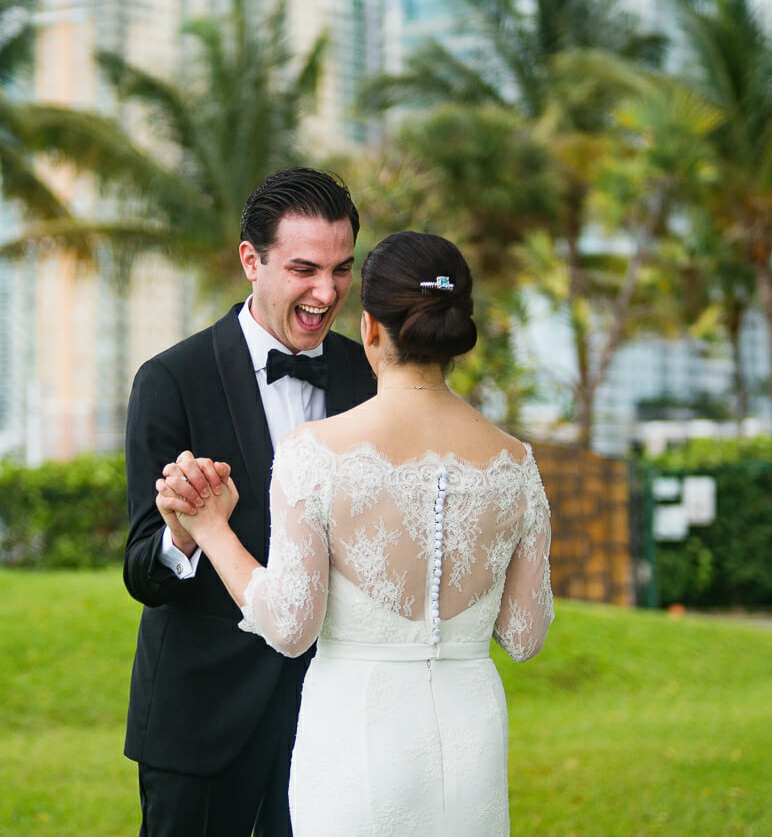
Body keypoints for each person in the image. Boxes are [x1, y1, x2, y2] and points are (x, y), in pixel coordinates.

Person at [166, 230, 554, 835]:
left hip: (357, 735)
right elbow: (525, 636)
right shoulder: (515, 464)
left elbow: (292, 628)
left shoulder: (317, 454)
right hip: (471, 738)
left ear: (370, 327)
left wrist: (212, 529)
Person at [122, 168, 378, 835]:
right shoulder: (170, 380)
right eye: (304, 269)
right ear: (250, 262)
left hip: (331, 721)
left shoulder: (371, 377)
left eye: (342, 270)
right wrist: (184, 534)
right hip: (202, 722)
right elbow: (142, 572)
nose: (326, 293)